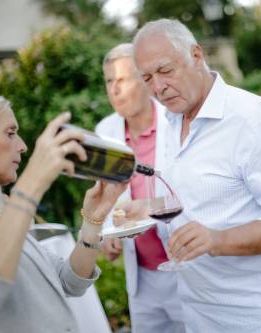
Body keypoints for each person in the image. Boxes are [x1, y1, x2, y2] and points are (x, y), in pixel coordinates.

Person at [132, 19, 261, 332]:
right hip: (200, 316)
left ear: (197, 55)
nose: (158, 87)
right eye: (147, 77)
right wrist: (139, 213)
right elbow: (189, 195)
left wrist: (217, 240)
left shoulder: (249, 117)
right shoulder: (171, 119)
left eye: (165, 70)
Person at [0, 89, 126, 332]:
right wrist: (31, 186)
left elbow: (68, 280)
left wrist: (94, 220)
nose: (22, 146)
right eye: (10, 134)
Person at [95, 43, 184, 333]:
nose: (114, 89)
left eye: (122, 80)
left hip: (184, 267)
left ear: (145, 81)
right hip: (141, 277)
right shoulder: (105, 132)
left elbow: (194, 191)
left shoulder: (177, 122)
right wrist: (107, 231)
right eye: (109, 81)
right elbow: (104, 192)